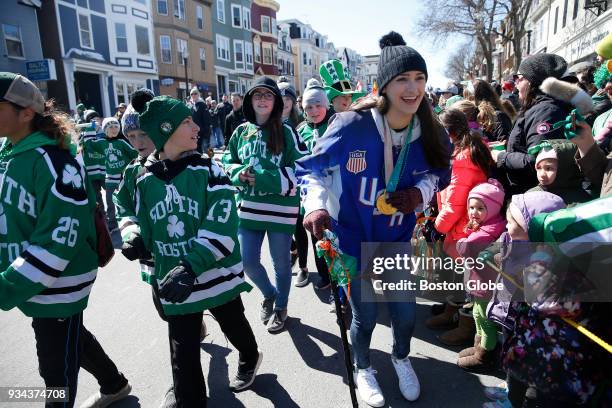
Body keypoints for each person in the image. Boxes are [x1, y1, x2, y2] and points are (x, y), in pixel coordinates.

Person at [298, 32, 451, 406]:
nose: (413, 88)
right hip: (352, 238)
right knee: (364, 317)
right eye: (402, 79)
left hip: (396, 239)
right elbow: (312, 171)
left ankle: (400, 358)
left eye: (419, 78)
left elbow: (440, 172)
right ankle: (364, 366)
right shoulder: (352, 125)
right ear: (384, 85)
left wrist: (421, 194)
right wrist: (316, 206)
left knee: (404, 314)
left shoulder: (431, 128)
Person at [0, 72, 131, 408]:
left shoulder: (57, 164)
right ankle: (114, 384)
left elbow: (58, 241)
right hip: (31, 279)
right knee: (71, 338)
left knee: (54, 368)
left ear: (25, 113)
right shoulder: (9, 154)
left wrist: (8, 285)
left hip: (59, 279)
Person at [138, 96, 262, 406]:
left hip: (212, 273)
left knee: (233, 323)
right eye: (186, 122)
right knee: (183, 349)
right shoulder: (142, 176)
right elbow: (133, 214)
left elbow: (222, 223)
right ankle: (188, 397)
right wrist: (134, 235)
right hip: (174, 280)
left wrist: (191, 266)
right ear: (165, 132)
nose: (196, 126)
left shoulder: (210, 170)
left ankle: (249, 356)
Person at [222, 77, 309, 333]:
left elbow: (302, 170)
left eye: (267, 95)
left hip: (281, 211)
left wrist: (262, 178)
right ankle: (270, 293)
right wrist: (239, 173)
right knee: (247, 260)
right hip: (249, 208)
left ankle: (282, 306)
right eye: (257, 94)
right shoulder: (240, 131)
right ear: (249, 100)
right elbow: (227, 161)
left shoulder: (287, 131)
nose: (262, 99)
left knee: (281, 263)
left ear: (276, 102)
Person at [491, 54, 574, 196]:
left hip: (531, 194)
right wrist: (506, 146)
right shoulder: (537, 107)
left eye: (519, 78)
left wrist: (501, 157)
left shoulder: (546, 111)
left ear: (532, 82)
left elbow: (537, 160)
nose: (515, 83)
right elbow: (526, 146)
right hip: (525, 191)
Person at [454, 180, 506, 370]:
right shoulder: (493, 224)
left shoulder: (484, 233)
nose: (474, 212)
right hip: (482, 280)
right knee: (477, 313)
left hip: (485, 283)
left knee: (484, 317)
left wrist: (463, 238)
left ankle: (486, 354)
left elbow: (463, 248)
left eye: (480, 208)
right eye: (471, 207)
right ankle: (479, 346)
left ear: (492, 208)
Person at [434, 108, 492, 260]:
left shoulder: (462, 159)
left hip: (461, 231)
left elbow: (455, 205)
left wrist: (438, 226)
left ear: (448, 132)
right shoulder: (474, 148)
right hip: (469, 224)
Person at [295, 79, 335, 289]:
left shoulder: (335, 124)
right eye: (309, 107)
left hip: (334, 192)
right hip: (310, 194)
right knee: (316, 236)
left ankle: (339, 279)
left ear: (326, 105)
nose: (314, 110)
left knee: (336, 239)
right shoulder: (300, 130)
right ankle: (325, 276)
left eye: (318, 105)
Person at [527, 139, 593, 205]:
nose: (542, 174)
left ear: (565, 169)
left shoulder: (582, 200)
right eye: (538, 168)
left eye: (548, 168)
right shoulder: (532, 196)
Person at [100, 117, 137, 231]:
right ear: (105, 129)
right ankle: (112, 222)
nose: (114, 129)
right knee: (110, 201)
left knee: (126, 199)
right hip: (110, 178)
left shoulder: (121, 142)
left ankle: (131, 219)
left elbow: (133, 152)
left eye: (116, 126)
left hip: (122, 178)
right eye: (110, 127)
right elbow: (90, 146)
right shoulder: (102, 143)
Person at [188, 87, 212, 152]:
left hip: (204, 130)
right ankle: (200, 161)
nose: (193, 95)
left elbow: (207, 118)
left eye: (195, 93)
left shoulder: (202, 104)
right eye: (192, 94)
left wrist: (206, 130)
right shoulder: (190, 106)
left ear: (198, 95)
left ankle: (212, 161)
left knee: (207, 148)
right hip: (194, 131)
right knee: (197, 149)